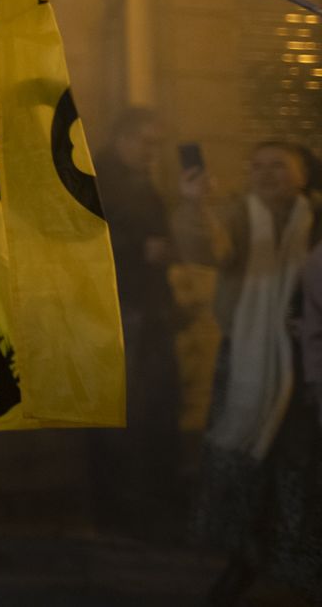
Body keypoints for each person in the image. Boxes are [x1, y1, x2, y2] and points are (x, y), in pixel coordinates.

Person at [174, 140, 322, 604]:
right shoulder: (238, 214)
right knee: (244, 460)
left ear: (303, 173)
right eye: (257, 166)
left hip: (307, 361)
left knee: (299, 466)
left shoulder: (317, 218)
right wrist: (195, 205)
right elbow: (208, 248)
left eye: (278, 165)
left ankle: (298, 567)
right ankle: (244, 559)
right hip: (248, 358)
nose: (265, 174)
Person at [87, 107, 182, 538]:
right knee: (125, 409)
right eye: (146, 143)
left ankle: (146, 501)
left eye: (157, 145)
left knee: (155, 403)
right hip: (120, 305)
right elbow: (81, 235)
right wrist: (138, 250)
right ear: (122, 139)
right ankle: (122, 508)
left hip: (145, 303)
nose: (152, 152)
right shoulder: (97, 179)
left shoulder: (139, 181)